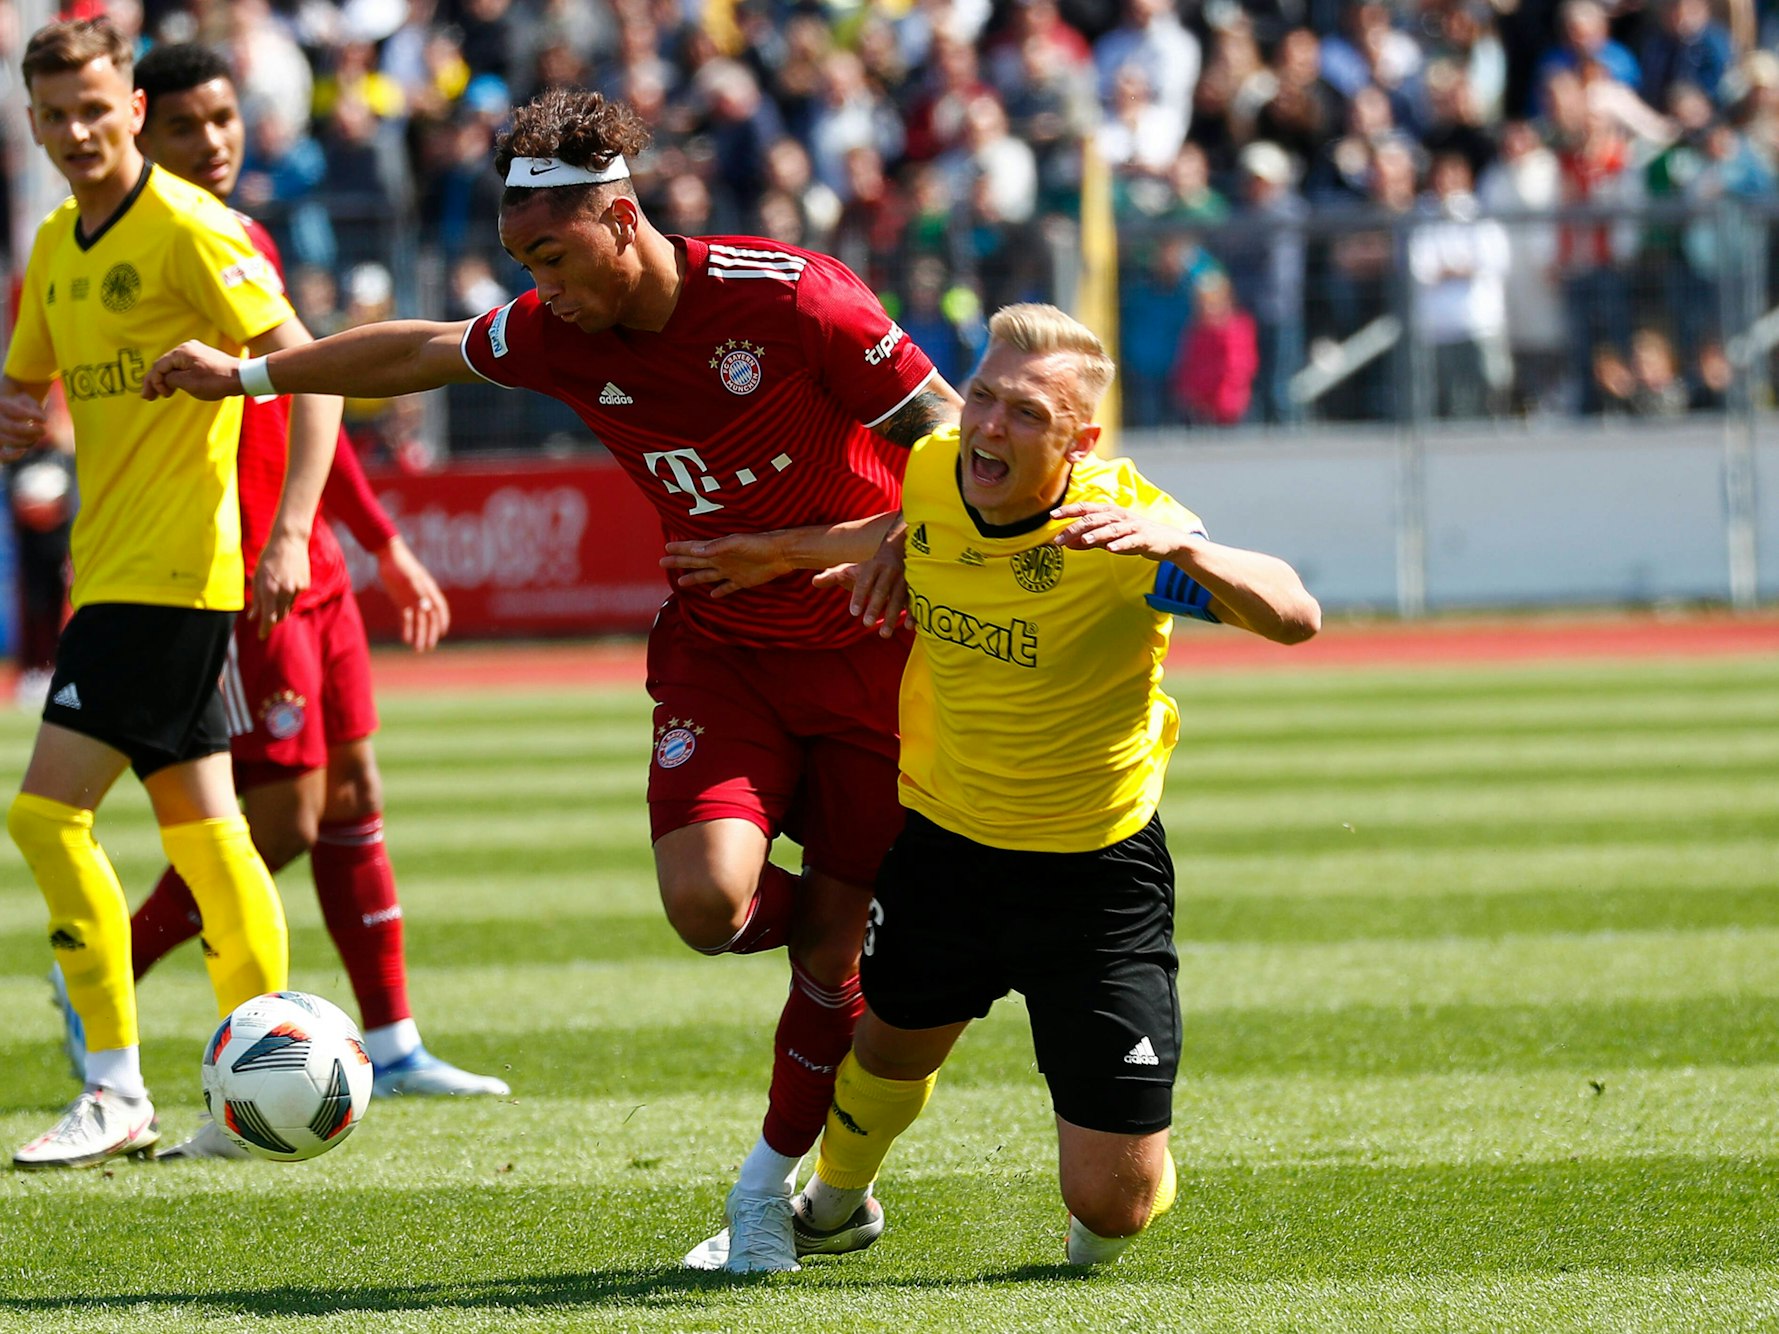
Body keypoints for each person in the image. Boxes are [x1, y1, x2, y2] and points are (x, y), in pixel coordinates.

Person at [143, 87, 961, 1267]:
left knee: (831, 952)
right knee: (708, 904)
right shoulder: (555, 331)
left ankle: (771, 1184)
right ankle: (864, 931)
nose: (541, 287)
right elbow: (422, 349)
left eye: (552, 255)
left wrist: (807, 548)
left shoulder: (793, 297)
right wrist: (248, 376)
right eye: (523, 262)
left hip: (868, 655)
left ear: (621, 219)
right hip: (726, 656)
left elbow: (957, 444)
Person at [668, 303, 1319, 1266]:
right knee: (885, 1050)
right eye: (981, 397)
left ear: (1078, 443)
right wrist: (786, 553)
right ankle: (833, 1206)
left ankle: (1121, 1178)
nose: (986, 425)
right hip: (946, 846)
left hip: (1094, 876)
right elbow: (904, 522)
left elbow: (1294, 614)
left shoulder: (1119, 537)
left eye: (1025, 413)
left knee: (1113, 1209)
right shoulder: (937, 469)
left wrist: (1180, 544)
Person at [114, 44, 508, 1162]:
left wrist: (379, 543)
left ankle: (393, 1041)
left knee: (355, 792)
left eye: (224, 118)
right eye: (185, 126)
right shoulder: (163, 253)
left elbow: (308, 395)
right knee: (282, 817)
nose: (214, 141)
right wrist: (281, 537)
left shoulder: (248, 234)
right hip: (242, 573)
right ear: (142, 132)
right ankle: (106, 976)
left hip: (310, 565)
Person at [0, 17, 339, 1170]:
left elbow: (314, 373)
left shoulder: (195, 229)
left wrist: (289, 529)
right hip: (111, 569)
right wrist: (14, 416)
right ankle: (261, 1088)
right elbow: (25, 389)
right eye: (56, 116)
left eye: (97, 109)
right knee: (206, 830)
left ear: (133, 111)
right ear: (33, 124)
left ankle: (113, 1085)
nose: (78, 132)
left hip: (173, 573)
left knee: (44, 816)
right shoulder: (55, 241)